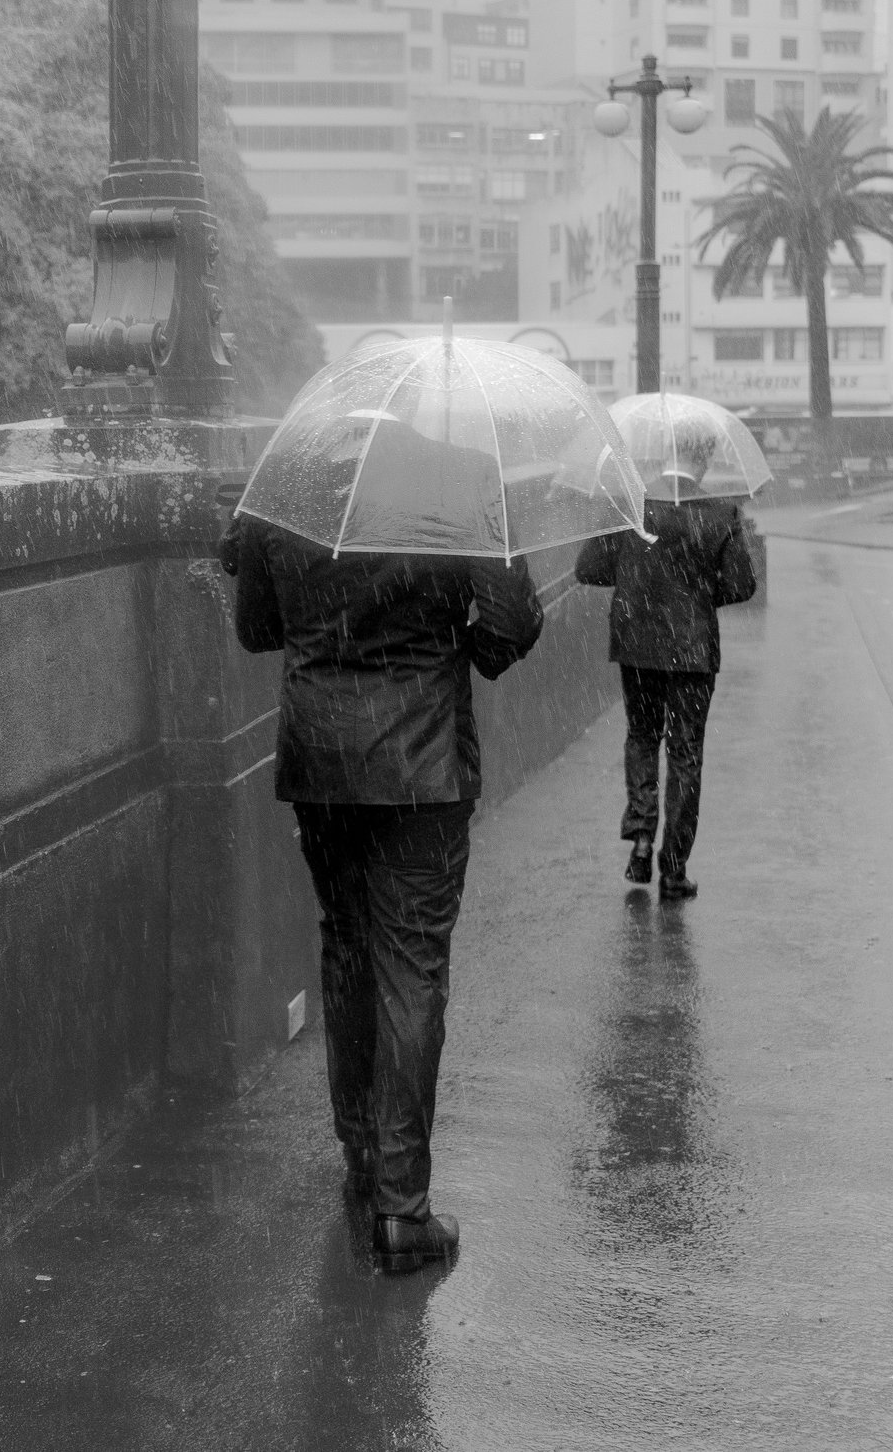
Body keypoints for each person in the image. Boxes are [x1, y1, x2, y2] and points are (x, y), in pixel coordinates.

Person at [221, 441, 543, 1274]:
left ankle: (360, 1154)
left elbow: (258, 629)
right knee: (413, 965)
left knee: (347, 946)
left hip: (323, 762)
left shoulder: (289, 482)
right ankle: (403, 1207)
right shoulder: (455, 477)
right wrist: (449, 648)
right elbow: (513, 623)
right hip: (423, 769)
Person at [574, 431, 757, 901]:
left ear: (665, 454)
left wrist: (638, 580)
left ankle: (639, 835)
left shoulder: (631, 507)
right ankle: (674, 870)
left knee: (642, 736)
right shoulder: (722, 513)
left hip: (637, 645)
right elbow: (741, 585)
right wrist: (695, 599)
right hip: (694, 652)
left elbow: (589, 569)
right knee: (686, 752)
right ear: (705, 461)